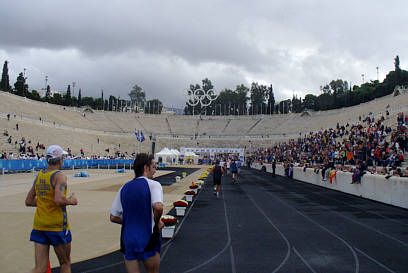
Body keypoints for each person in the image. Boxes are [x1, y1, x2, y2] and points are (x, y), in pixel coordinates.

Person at [25, 145, 78, 273]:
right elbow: (59, 199)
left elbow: (29, 201)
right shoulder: (60, 176)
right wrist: (71, 200)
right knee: (65, 264)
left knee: (40, 267)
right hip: (56, 226)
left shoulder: (39, 176)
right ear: (60, 160)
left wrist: (45, 202)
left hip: (39, 225)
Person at [110, 153, 164, 273]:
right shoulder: (153, 185)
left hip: (128, 239)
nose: (155, 171)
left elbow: (113, 217)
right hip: (147, 238)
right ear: (146, 168)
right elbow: (158, 207)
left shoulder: (124, 188)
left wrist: (131, 221)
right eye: (153, 167)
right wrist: (157, 221)